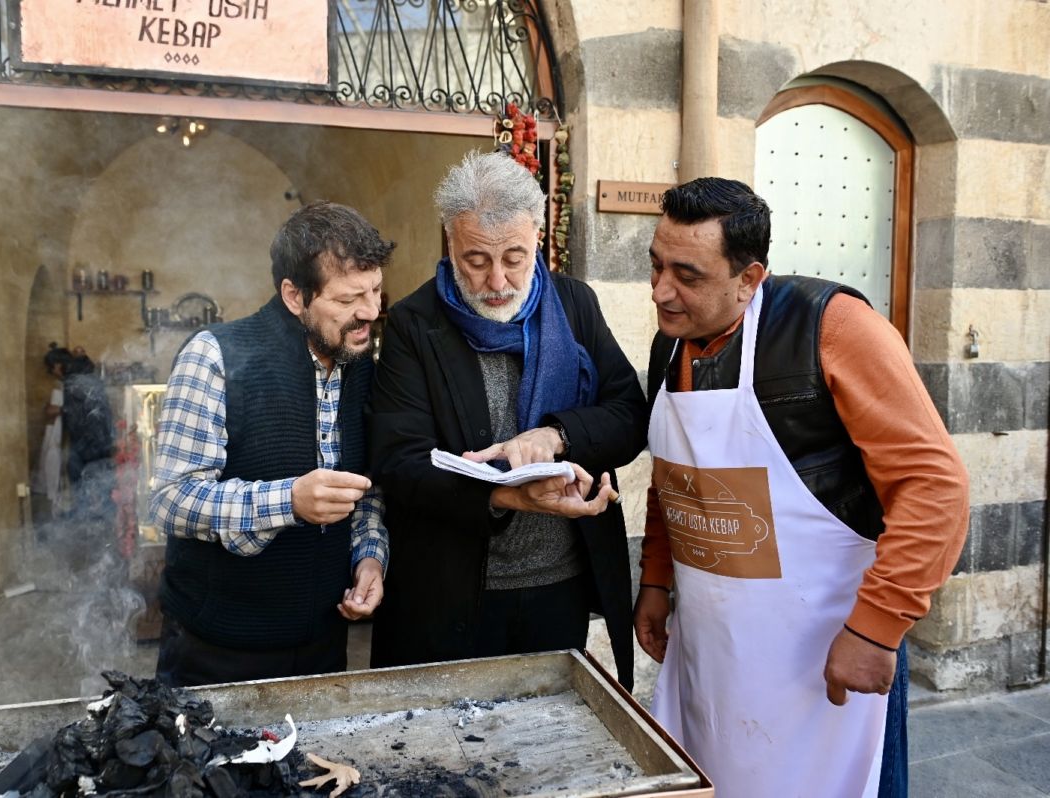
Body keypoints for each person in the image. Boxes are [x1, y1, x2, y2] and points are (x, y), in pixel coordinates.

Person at [635, 177, 968, 797]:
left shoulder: (834, 329)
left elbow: (935, 487)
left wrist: (876, 627)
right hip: (713, 651)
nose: (660, 291)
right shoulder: (670, 345)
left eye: (687, 274)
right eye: (655, 265)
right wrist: (656, 579)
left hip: (825, 656)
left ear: (749, 278)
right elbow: (676, 481)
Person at [368, 151, 648, 688]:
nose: (497, 279)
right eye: (475, 260)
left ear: (538, 238)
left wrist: (556, 434)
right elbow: (397, 461)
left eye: (515, 257)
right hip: (452, 591)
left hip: (560, 583)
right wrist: (500, 494)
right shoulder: (413, 323)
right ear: (449, 242)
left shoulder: (574, 304)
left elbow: (628, 414)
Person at [150, 201, 394, 687]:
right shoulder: (213, 355)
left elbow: (365, 492)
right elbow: (170, 501)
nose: (369, 312)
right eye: (347, 300)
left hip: (324, 644)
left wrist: (369, 556)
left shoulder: (362, 364)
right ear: (294, 295)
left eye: (376, 291)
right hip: (216, 651)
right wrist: (288, 501)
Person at [43, 344, 115, 521]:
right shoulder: (85, 373)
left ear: (59, 366)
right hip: (100, 437)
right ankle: (95, 516)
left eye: (53, 369)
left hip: (90, 439)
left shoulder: (73, 380)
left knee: (85, 475)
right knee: (99, 478)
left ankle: (90, 517)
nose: (55, 374)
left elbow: (80, 412)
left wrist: (60, 410)